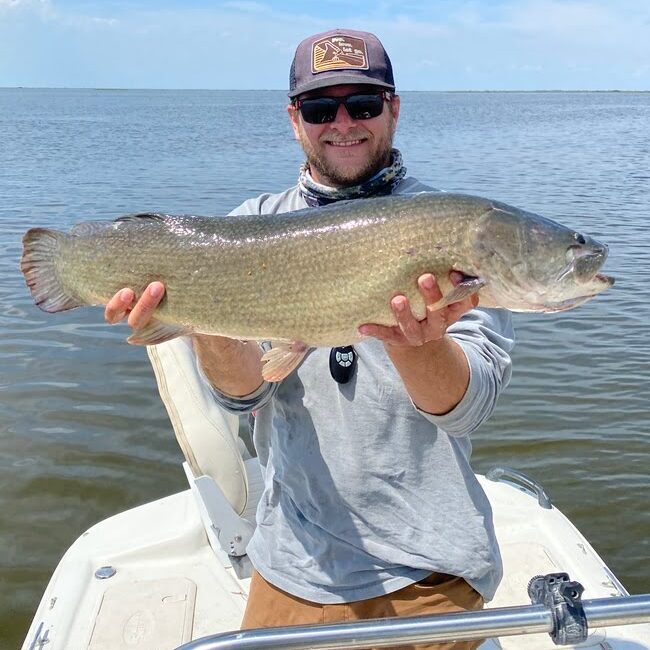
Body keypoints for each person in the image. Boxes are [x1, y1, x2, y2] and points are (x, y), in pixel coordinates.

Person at [105, 28, 514, 650]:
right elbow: (244, 396)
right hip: (295, 562)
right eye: (322, 109)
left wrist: (417, 343)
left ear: (394, 109)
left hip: (433, 567)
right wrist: (196, 318)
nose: (343, 124)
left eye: (364, 105)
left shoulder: (459, 227)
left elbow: (470, 410)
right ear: (295, 119)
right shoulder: (250, 226)